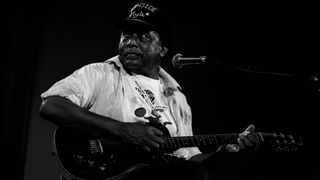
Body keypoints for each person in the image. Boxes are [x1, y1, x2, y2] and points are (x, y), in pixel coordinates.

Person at [39, 1, 259, 180]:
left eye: (143, 37)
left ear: (162, 49)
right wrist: (122, 130)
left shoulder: (176, 97)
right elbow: (51, 105)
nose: (131, 42)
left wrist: (224, 153)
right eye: (126, 35)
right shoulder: (100, 73)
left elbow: (189, 161)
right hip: (105, 172)